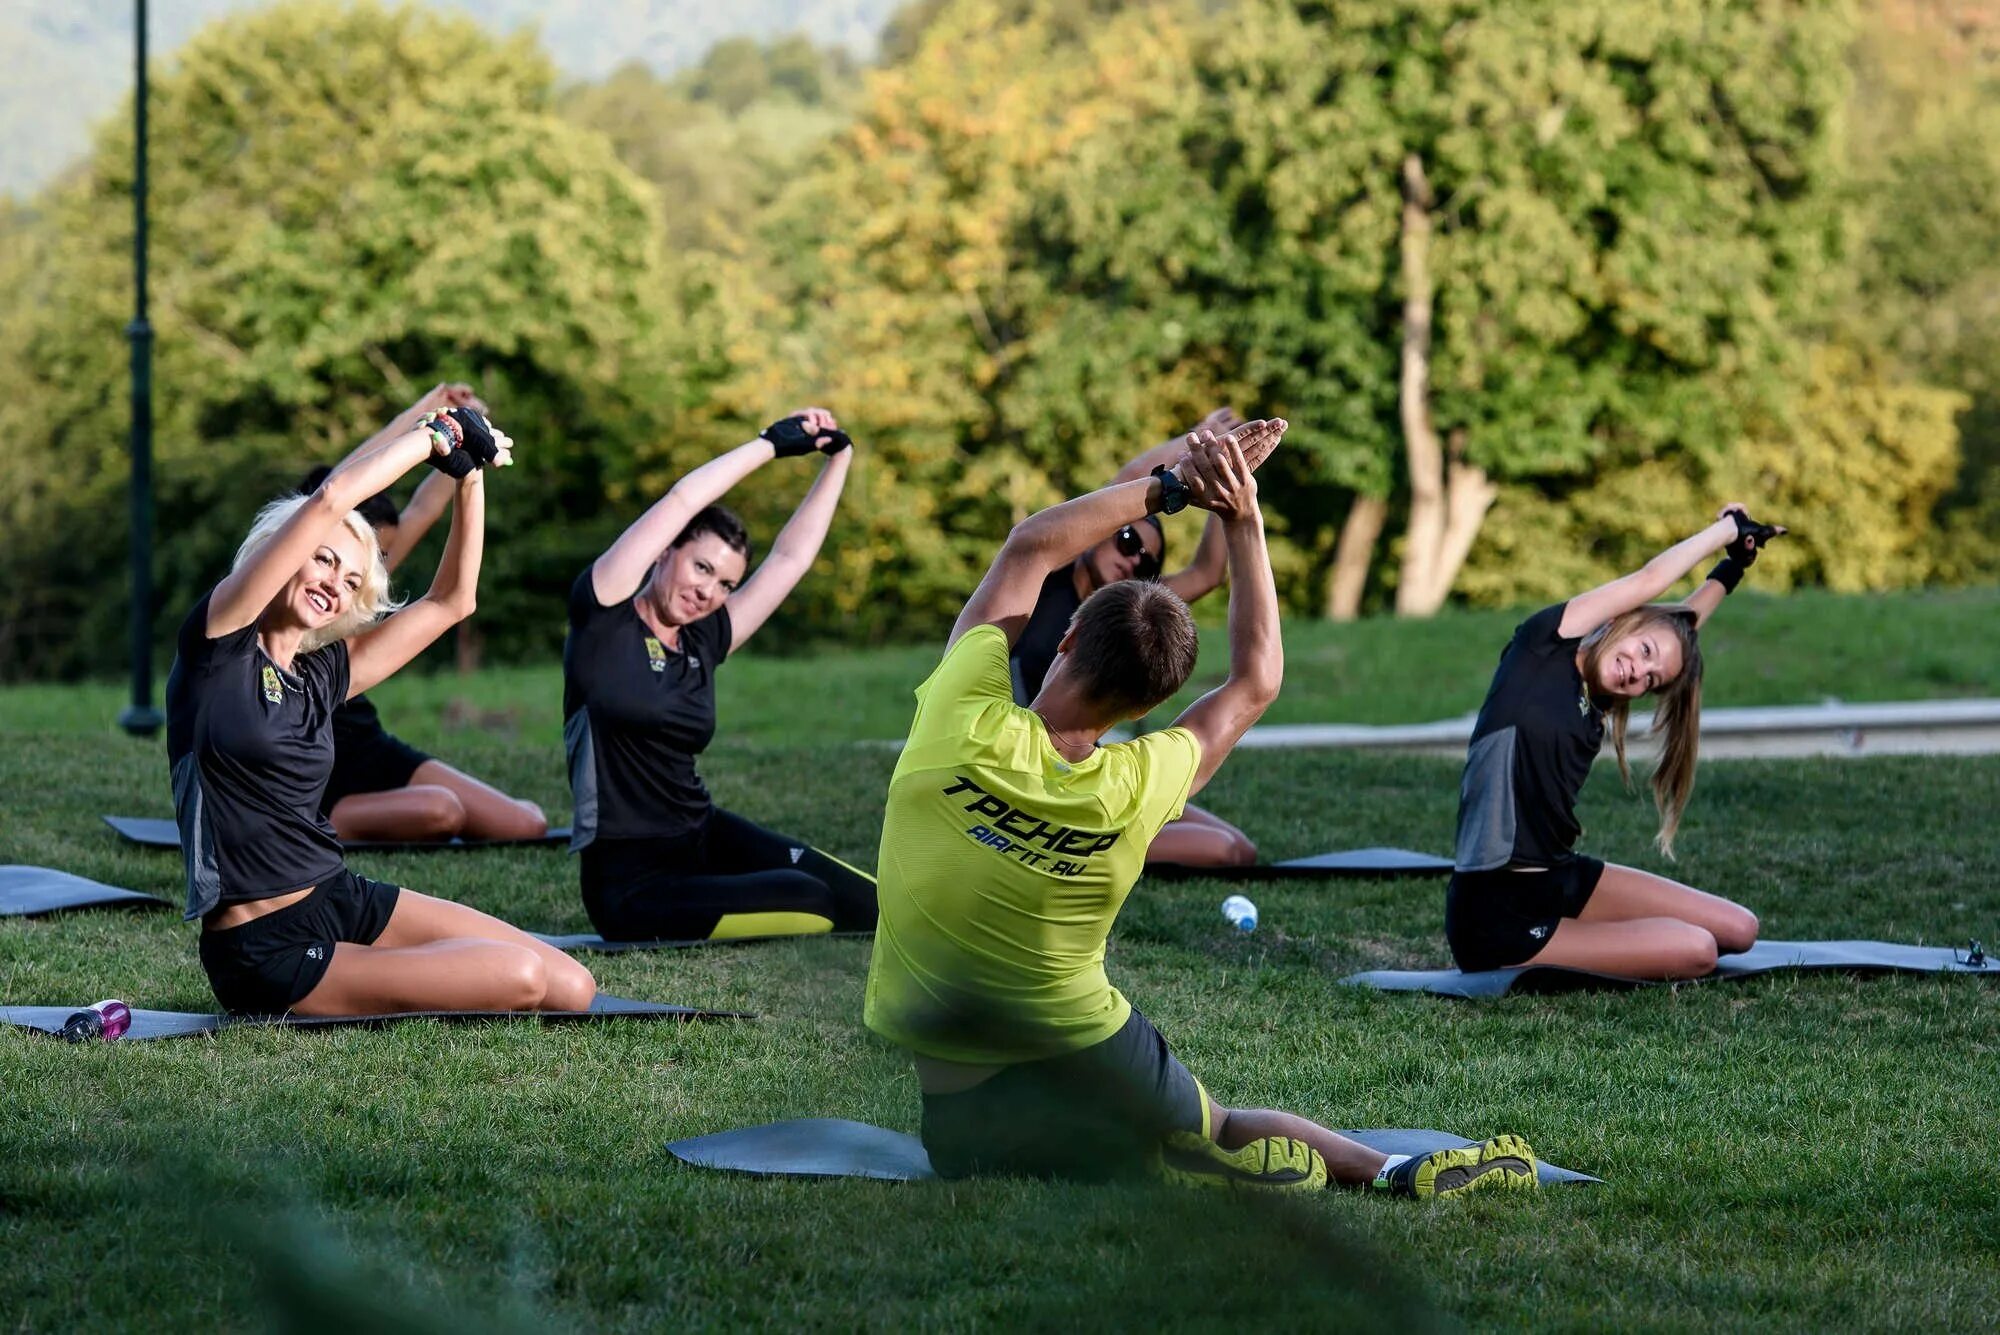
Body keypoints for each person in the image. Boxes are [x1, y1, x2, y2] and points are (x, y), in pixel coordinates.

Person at [865, 419, 1538, 1197]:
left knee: (1031, 1148)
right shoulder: (1141, 782)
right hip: (1085, 1041)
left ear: (1069, 634)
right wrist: (1243, 517)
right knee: (1214, 1121)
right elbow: (1255, 680)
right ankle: (1391, 1169)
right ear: (1154, 700)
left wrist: (1175, 483)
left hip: (960, 1104)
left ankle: (1167, 1165)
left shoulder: (960, 716)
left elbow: (1029, 546)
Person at [166, 404, 596, 1017]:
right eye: (323, 560)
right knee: (523, 975)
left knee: (573, 986)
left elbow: (453, 601)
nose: (333, 585)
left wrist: (467, 475)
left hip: (337, 895)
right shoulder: (218, 647)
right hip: (266, 946)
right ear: (285, 553)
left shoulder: (319, 674)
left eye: (349, 581)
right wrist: (433, 436)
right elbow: (330, 498)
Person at [563, 408, 877, 943]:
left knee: (868, 899)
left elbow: (789, 559)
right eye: (701, 568)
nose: (709, 592)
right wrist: (769, 446)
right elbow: (682, 501)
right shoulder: (604, 614)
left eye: (726, 583)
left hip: (703, 836)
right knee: (810, 899)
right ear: (666, 552)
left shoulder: (702, 638)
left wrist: (839, 459)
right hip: (630, 886)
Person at [1446, 506, 1785, 980]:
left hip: (1559, 877)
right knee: (1698, 950)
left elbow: (1678, 631)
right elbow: (1649, 582)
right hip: (1498, 912)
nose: (1637, 672)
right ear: (1626, 623)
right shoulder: (1545, 646)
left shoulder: (1599, 701)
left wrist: (1731, 569)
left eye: (1651, 680)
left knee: (1741, 929)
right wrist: (1728, 527)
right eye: (1643, 652)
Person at [295, 384, 550, 844]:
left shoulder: (369, 571)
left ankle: (351, 816)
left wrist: (468, 439)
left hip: (365, 742)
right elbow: (337, 488)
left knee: (527, 824)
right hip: (312, 762)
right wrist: (422, 412)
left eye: (380, 559)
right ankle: (334, 820)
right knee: (442, 812)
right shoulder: (293, 566)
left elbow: (424, 506)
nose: (373, 570)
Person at [1008, 407, 1257, 868]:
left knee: (1237, 844)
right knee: (1225, 852)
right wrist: (1195, 443)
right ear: (1097, 536)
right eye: (1125, 540)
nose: (1132, 560)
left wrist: (1232, 495)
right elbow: (1121, 484)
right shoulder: (1050, 576)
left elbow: (1206, 574)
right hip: (1037, 791)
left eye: (1146, 562)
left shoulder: (1126, 612)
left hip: (1092, 776)